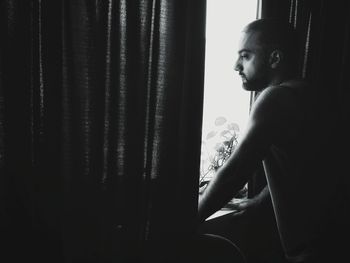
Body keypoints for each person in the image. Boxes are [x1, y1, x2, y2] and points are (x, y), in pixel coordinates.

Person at [198, 18, 337, 263]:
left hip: (312, 250)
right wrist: (261, 201)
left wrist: (189, 220)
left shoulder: (276, 98)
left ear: (274, 59)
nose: (236, 66)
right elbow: (304, 164)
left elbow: (235, 172)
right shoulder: (309, 92)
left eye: (245, 56)